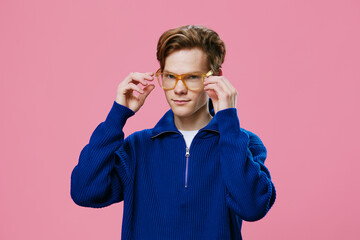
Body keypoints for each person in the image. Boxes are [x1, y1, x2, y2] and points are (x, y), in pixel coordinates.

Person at [70, 25, 276, 240]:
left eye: (192, 77)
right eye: (170, 76)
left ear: (216, 78)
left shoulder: (244, 142)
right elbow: (85, 192)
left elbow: (253, 207)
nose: (179, 89)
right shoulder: (138, 146)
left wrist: (229, 120)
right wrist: (116, 116)